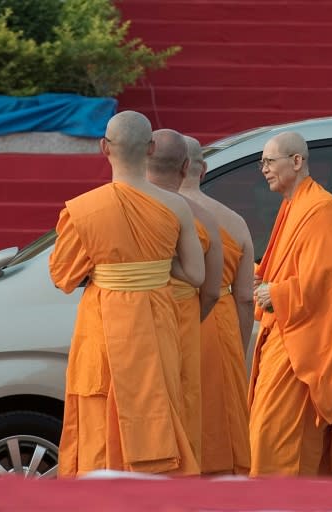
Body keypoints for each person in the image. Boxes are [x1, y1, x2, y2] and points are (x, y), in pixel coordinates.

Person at [49, 111, 205, 477]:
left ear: (104, 148)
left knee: (102, 416)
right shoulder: (176, 205)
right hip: (156, 328)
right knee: (158, 408)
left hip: (103, 329)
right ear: (150, 148)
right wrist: (153, 266)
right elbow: (196, 274)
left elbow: (63, 277)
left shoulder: (84, 209)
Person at [249, 131, 332, 477]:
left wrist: (276, 294)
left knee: (277, 439)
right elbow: (294, 267)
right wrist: (264, 277)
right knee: (266, 436)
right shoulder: (293, 206)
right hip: (285, 337)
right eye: (262, 163)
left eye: (269, 162)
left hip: (303, 348)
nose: (263, 169)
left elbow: (327, 281)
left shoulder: (322, 209)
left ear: (297, 161)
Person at [146, 128, 224, 467]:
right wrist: (189, 316)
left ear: (145, 156)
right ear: (186, 168)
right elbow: (210, 290)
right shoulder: (206, 218)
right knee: (182, 408)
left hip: (130, 328)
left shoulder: (120, 204)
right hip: (185, 324)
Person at [180, 135, 253, 475]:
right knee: (218, 425)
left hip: (170, 323)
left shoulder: (155, 212)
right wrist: (237, 347)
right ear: (202, 169)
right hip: (220, 327)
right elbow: (245, 296)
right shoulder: (234, 221)